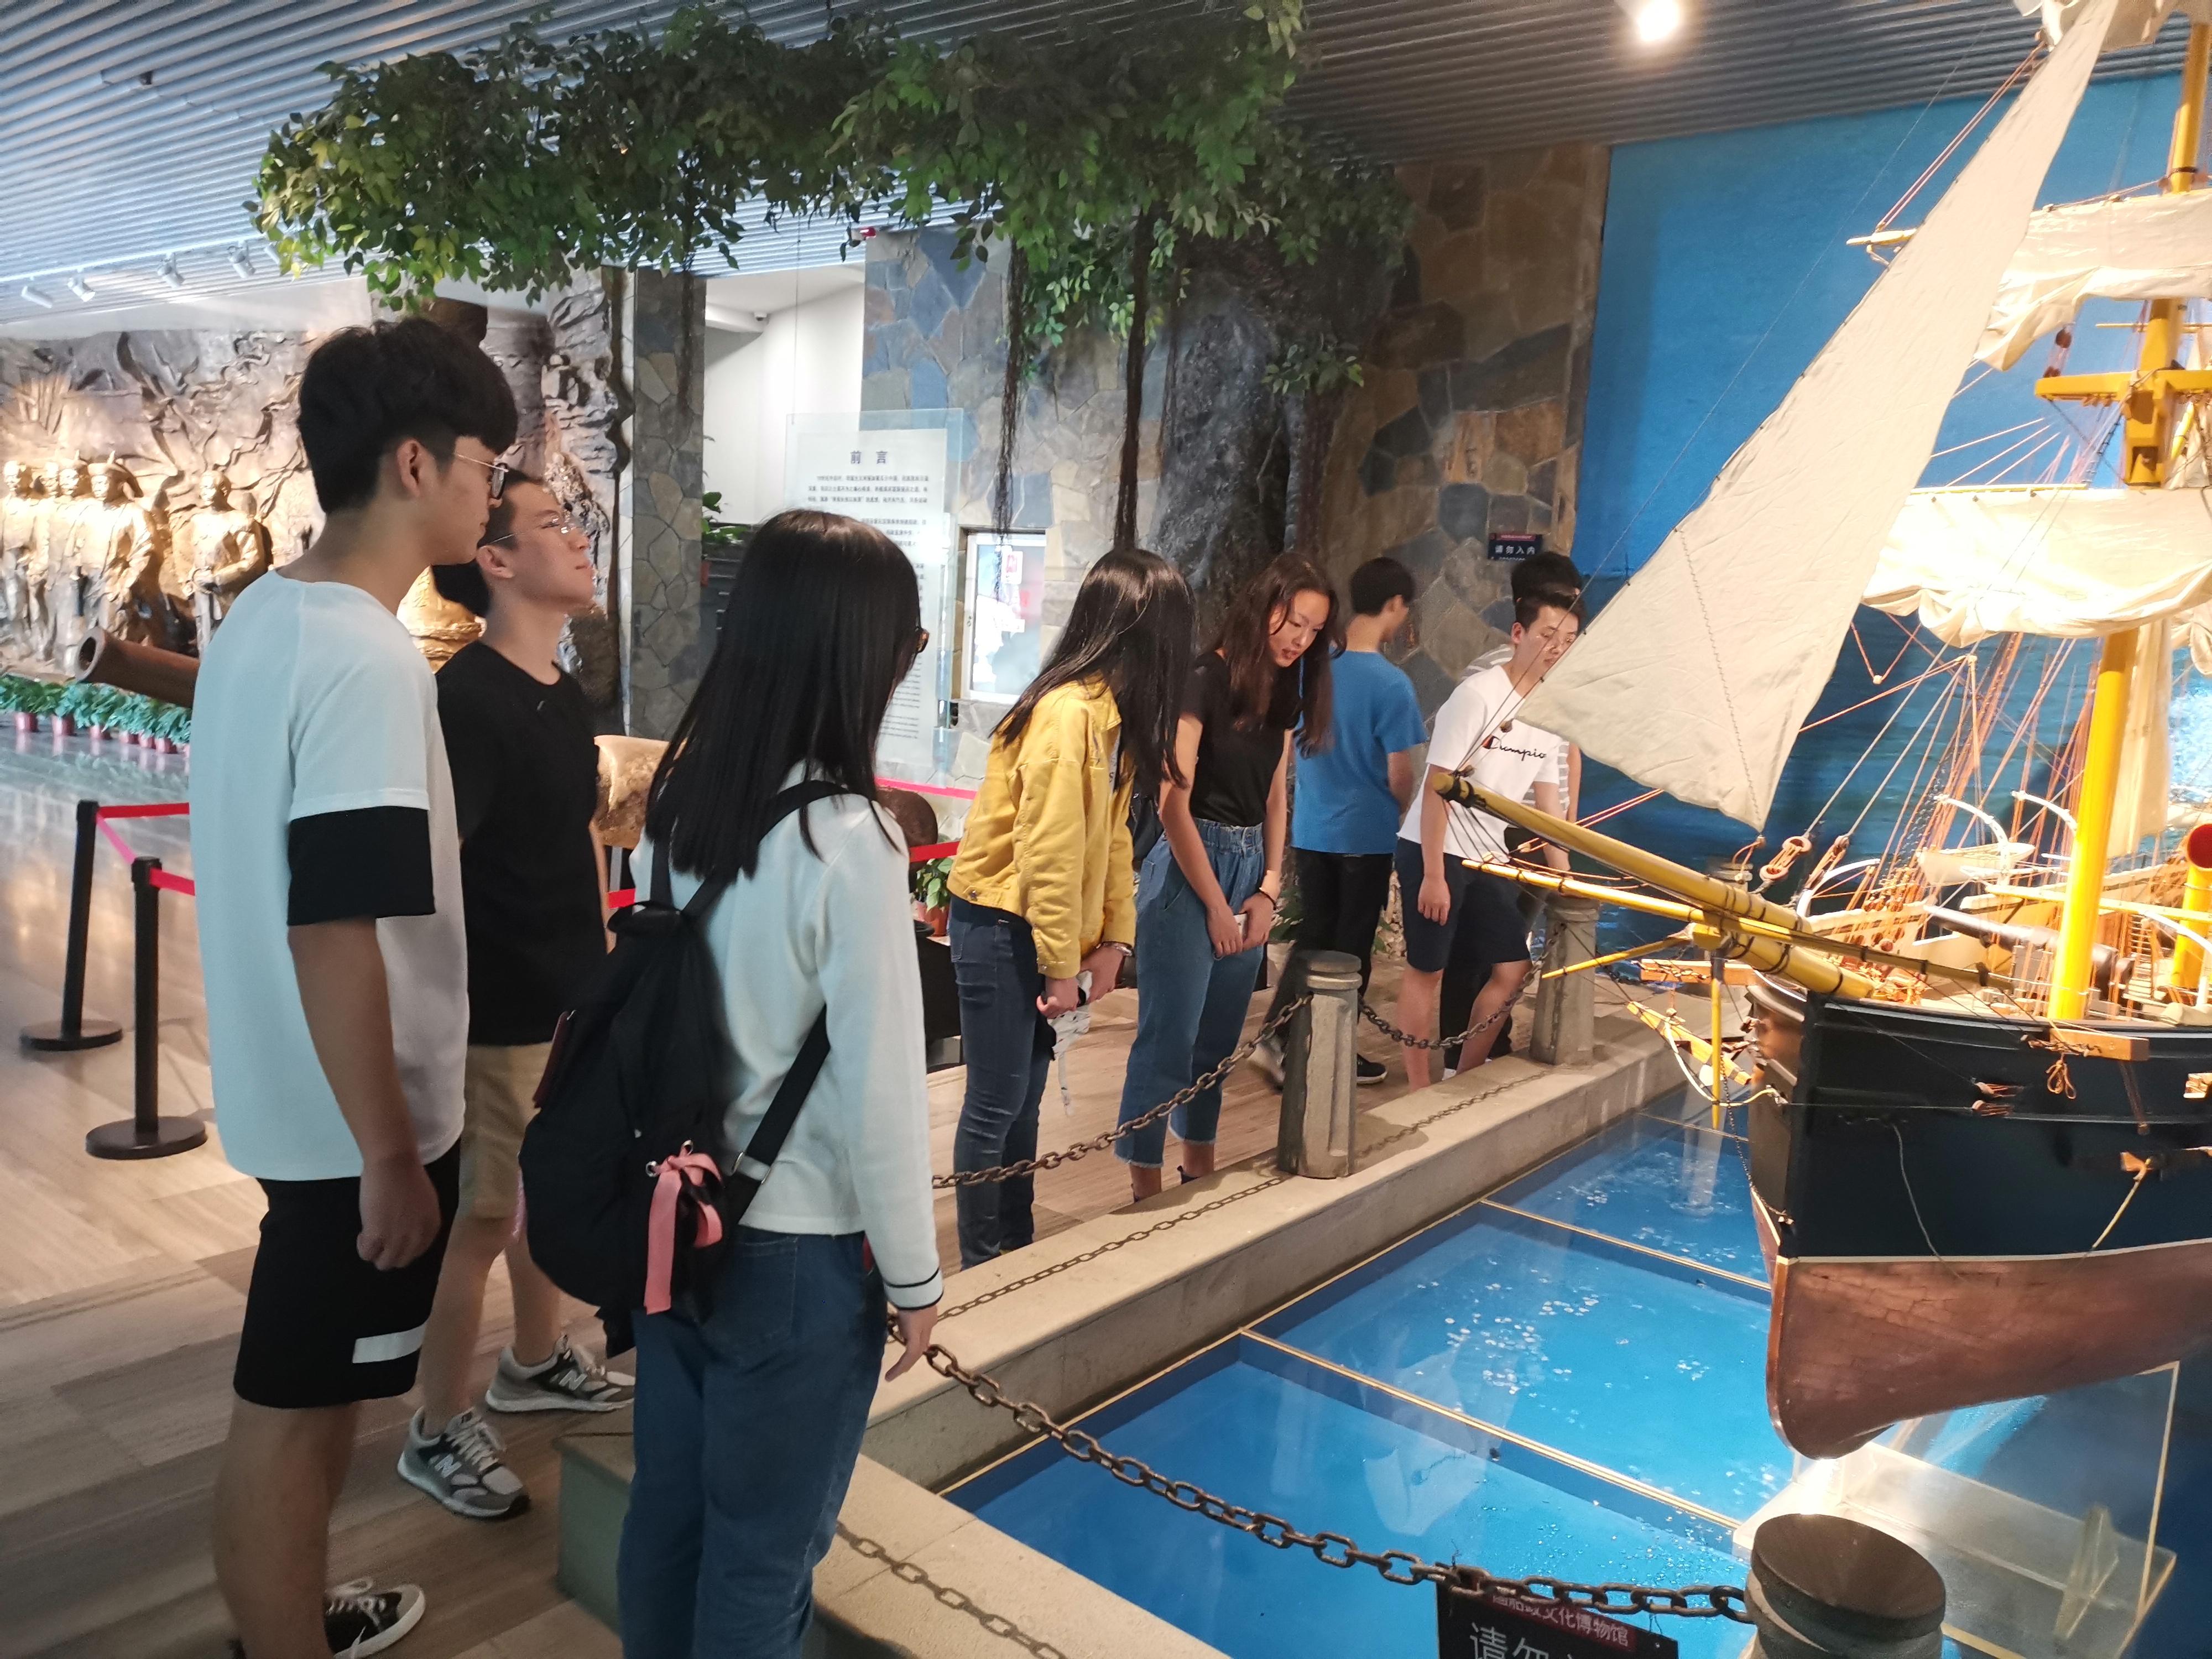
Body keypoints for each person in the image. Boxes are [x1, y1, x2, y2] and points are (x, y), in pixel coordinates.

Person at [191, 317, 517, 1657]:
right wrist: (390, 1150)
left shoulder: (269, 615)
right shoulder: (365, 654)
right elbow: (336, 921)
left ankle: (290, 1615)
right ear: (414, 464)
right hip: (348, 1124)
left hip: (299, 1097)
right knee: (290, 1406)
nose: (493, 493)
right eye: (485, 465)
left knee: (311, 1392)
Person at [617, 509, 941, 1659]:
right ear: (856, 653)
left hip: (676, 1223)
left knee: (669, 1517)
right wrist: (917, 1277)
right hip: (798, 1255)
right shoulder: (851, 840)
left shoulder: (682, 803)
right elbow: (882, 1093)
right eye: (904, 645)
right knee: (764, 1558)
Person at [396, 474, 632, 1524]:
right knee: (485, 1212)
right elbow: (435, 869)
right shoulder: (469, 700)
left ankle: (534, 1361)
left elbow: (577, 839)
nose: (578, 540)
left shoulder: (558, 690)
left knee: (546, 1189)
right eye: (552, 525)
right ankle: (436, 1423)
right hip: (498, 1011)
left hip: (565, 1001)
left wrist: (601, 967)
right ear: (494, 561)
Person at [946, 548, 1194, 1265]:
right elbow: (1049, 855)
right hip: (1000, 922)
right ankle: (983, 1267)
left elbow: (1112, 843)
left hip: (1036, 928)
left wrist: (1115, 943)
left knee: (1021, 1103)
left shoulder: (1109, 716)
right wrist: (1062, 967)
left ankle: (1016, 1250)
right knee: (996, 1103)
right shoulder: (1066, 714)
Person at [1114, 556, 1336, 1198]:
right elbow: (1171, 802)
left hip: (1246, 864)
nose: (1300, 639)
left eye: (1313, 630)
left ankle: (1199, 1165)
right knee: (1169, 1037)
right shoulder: (1203, 678)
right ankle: (1145, 1185)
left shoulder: (1286, 690)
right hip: (1189, 864)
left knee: (1216, 1041)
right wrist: (1215, 904)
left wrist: (1269, 886)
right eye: (1293, 621)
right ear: (1263, 606)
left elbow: (1275, 796)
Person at [1250, 555, 1427, 1089]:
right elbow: (1401, 774)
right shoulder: (1393, 686)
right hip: (1365, 834)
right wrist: (1402, 807)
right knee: (1349, 951)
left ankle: (1283, 1037)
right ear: (1395, 604)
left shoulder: (1313, 667)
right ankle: (1325, 1050)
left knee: (1315, 933)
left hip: (1311, 829)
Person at [1394, 588, 1581, 1089]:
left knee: (1512, 969)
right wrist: (1433, 875)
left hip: (1487, 856)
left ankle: (1464, 1075)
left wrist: (1565, 876)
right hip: (1433, 849)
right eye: (1548, 635)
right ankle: (1419, 1089)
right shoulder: (1477, 695)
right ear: (1519, 634)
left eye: (1569, 640)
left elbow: (1549, 808)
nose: (1557, 648)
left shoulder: (1550, 712)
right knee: (1427, 971)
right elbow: (1438, 785)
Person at [1441, 554, 1585, 1071]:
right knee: (1477, 950)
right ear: (1526, 613)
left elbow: (1570, 752)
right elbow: (1454, 768)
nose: (1561, 640)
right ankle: (1457, 1054)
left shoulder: (1562, 678)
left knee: (1510, 946)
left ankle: (1486, 1045)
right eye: (1554, 623)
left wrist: (1567, 827)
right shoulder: (1488, 674)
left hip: (1543, 828)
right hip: (1496, 831)